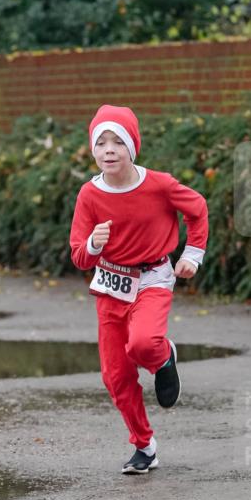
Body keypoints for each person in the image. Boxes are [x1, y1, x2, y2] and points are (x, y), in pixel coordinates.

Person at [69, 104, 208, 474]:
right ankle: (144, 447)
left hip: (152, 278)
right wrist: (95, 245)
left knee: (143, 343)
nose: (109, 149)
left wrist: (193, 253)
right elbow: (79, 256)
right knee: (115, 377)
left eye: (118, 141)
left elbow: (197, 208)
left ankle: (162, 356)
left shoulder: (158, 184)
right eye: (101, 142)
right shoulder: (89, 195)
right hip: (110, 284)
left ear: (133, 146)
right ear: (93, 150)